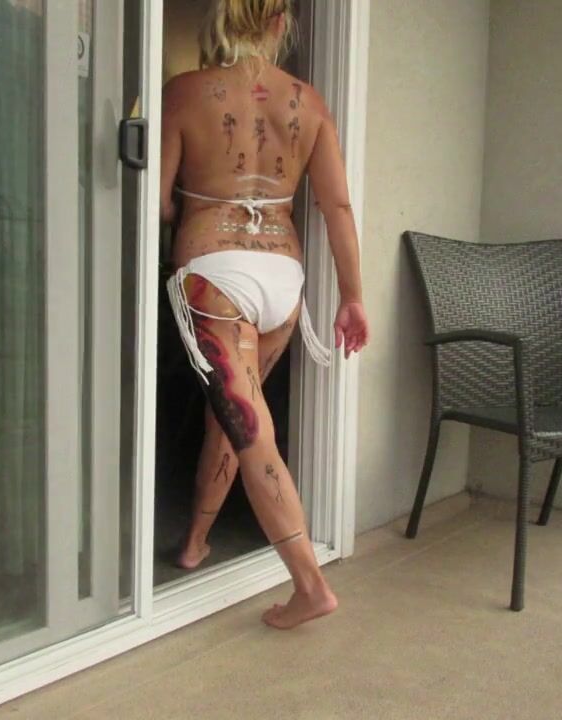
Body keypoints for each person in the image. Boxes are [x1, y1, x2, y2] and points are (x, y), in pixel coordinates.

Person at [160, 0, 368, 629]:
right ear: (280, 24)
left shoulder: (184, 92)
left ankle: (310, 586)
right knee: (231, 419)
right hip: (283, 276)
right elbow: (337, 207)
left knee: (250, 429)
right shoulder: (309, 102)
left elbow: (158, 204)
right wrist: (352, 296)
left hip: (215, 274)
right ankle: (196, 544)